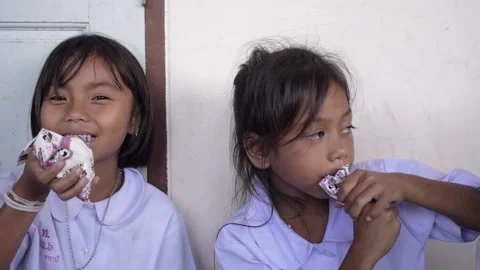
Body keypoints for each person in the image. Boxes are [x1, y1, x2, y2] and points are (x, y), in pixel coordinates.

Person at [215, 44, 480, 269]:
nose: (340, 150)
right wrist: (363, 253)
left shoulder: (390, 182)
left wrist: (408, 186)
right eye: (317, 133)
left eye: (346, 128)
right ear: (260, 150)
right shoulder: (241, 243)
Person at [0, 34, 196, 270]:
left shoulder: (159, 215)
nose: (75, 112)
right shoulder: (10, 192)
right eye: (58, 97)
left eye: (99, 97)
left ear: (134, 119)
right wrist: (28, 197)